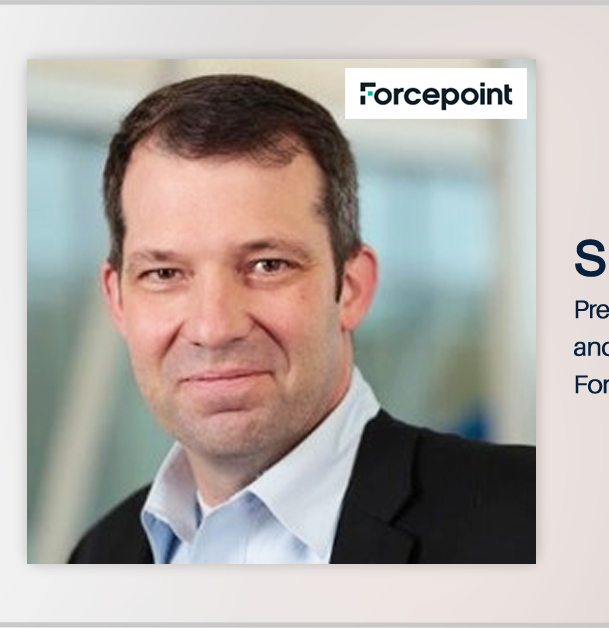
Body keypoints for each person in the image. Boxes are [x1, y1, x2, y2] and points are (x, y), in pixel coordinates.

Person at [67, 74, 535, 564]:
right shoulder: (98, 557)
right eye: (164, 273)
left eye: (268, 265)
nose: (213, 328)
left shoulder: (533, 519)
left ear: (351, 287)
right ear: (118, 301)